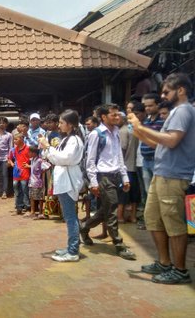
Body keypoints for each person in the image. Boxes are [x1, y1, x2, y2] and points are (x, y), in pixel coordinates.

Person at [128, 73, 195, 284]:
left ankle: (180, 269)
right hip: (162, 174)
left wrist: (141, 129)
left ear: (181, 90)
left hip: (174, 176)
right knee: (153, 219)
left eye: (167, 91)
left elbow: (172, 140)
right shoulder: (176, 112)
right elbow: (163, 144)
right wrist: (141, 134)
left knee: (174, 225)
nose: (163, 95)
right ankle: (164, 263)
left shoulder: (184, 110)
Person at [81, 103, 136, 260]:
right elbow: (90, 161)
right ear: (104, 117)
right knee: (112, 210)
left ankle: (84, 227)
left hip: (115, 176)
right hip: (103, 177)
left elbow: (119, 156)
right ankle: (119, 244)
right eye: (113, 115)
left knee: (106, 210)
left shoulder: (116, 132)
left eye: (118, 114)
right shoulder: (96, 134)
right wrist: (93, 182)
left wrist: (124, 177)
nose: (117, 117)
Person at [39, 109, 84, 262]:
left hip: (69, 180)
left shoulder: (74, 140)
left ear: (70, 124)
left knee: (71, 217)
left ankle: (73, 251)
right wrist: (46, 149)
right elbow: (54, 157)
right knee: (69, 216)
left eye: (61, 123)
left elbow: (64, 158)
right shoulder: (66, 139)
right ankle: (71, 247)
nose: (59, 125)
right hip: (63, 180)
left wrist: (48, 148)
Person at [119, 102, 145, 224]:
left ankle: (120, 216)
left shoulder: (124, 130)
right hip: (136, 165)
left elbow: (122, 148)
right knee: (136, 193)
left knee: (124, 194)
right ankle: (133, 216)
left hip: (126, 166)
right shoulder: (136, 129)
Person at [9, 133, 30, 214]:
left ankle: (27, 206)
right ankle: (18, 206)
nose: (14, 141)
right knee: (16, 189)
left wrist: (28, 164)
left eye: (16, 139)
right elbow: (9, 158)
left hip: (24, 172)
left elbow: (32, 158)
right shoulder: (13, 149)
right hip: (16, 173)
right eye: (14, 139)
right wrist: (11, 163)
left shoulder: (27, 148)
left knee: (25, 189)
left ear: (21, 139)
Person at [27, 146, 48, 219]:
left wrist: (41, 173)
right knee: (32, 197)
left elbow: (47, 166)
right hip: (32, 181)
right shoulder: (32, 160)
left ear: (34, 153)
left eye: (29, 152)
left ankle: (40, 212)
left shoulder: (40, 160)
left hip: (38, 182)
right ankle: (32, 212)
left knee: (40, 198)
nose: (28, 153)